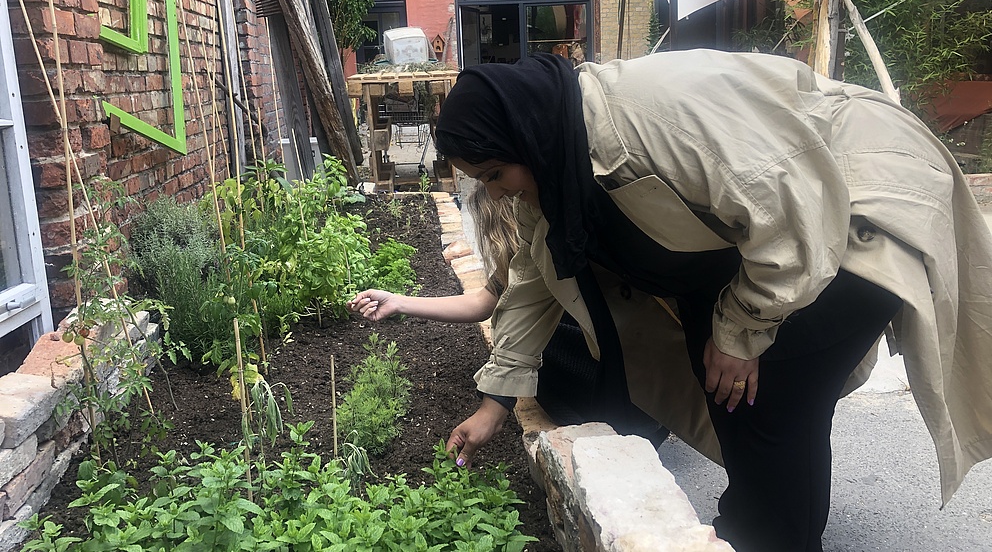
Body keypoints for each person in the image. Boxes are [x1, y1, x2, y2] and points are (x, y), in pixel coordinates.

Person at [433, 49, 992, 552]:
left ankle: (769, 533)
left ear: (524, 137)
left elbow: (793, 214)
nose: (496, 192)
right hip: (768, 234)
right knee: (730, 388)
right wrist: (497, 402)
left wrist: (742, 330)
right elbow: (534, 277)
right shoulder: (553, 156)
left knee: (778, 393)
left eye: (494, 173)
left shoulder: (653, 117)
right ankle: (760, 519)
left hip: (853, 209)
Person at [347, 181, 671, 442]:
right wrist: (398, 301)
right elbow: (483, 301)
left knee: (528, 333)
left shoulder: (548, 253)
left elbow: (504, 316)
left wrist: (499, 397)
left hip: (619, 407)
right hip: (650, 397)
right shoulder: (527, 258)